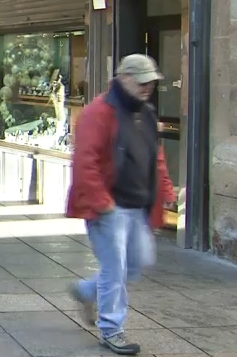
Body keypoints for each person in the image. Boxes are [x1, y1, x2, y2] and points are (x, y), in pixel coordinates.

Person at [67, 54, 176, 356]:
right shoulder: (98, 113)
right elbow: (85, 162)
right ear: (123, 78)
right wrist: (103, 203)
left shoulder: (147, 113)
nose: (147, 88)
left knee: (137, 263)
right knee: (115, 270)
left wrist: (165, 190)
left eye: (151, 82)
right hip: (109, 207)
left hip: (138, 205)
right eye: (142, 82)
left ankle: (86, 291)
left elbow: (156, 155)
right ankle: (112, 329)